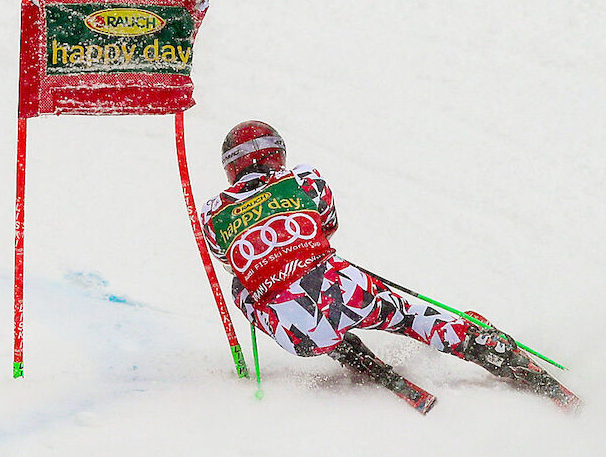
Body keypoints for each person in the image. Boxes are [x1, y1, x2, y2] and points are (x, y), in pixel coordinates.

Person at [199, 120, 576, 409]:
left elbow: (231, 262)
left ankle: (341, 348)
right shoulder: (303, 179)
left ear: (231, 168)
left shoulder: (213, 213)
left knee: (243, 288)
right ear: (276, 153)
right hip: (343, 290)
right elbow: (328, 225)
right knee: (411, 318)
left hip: (292, 332)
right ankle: (480, 345)